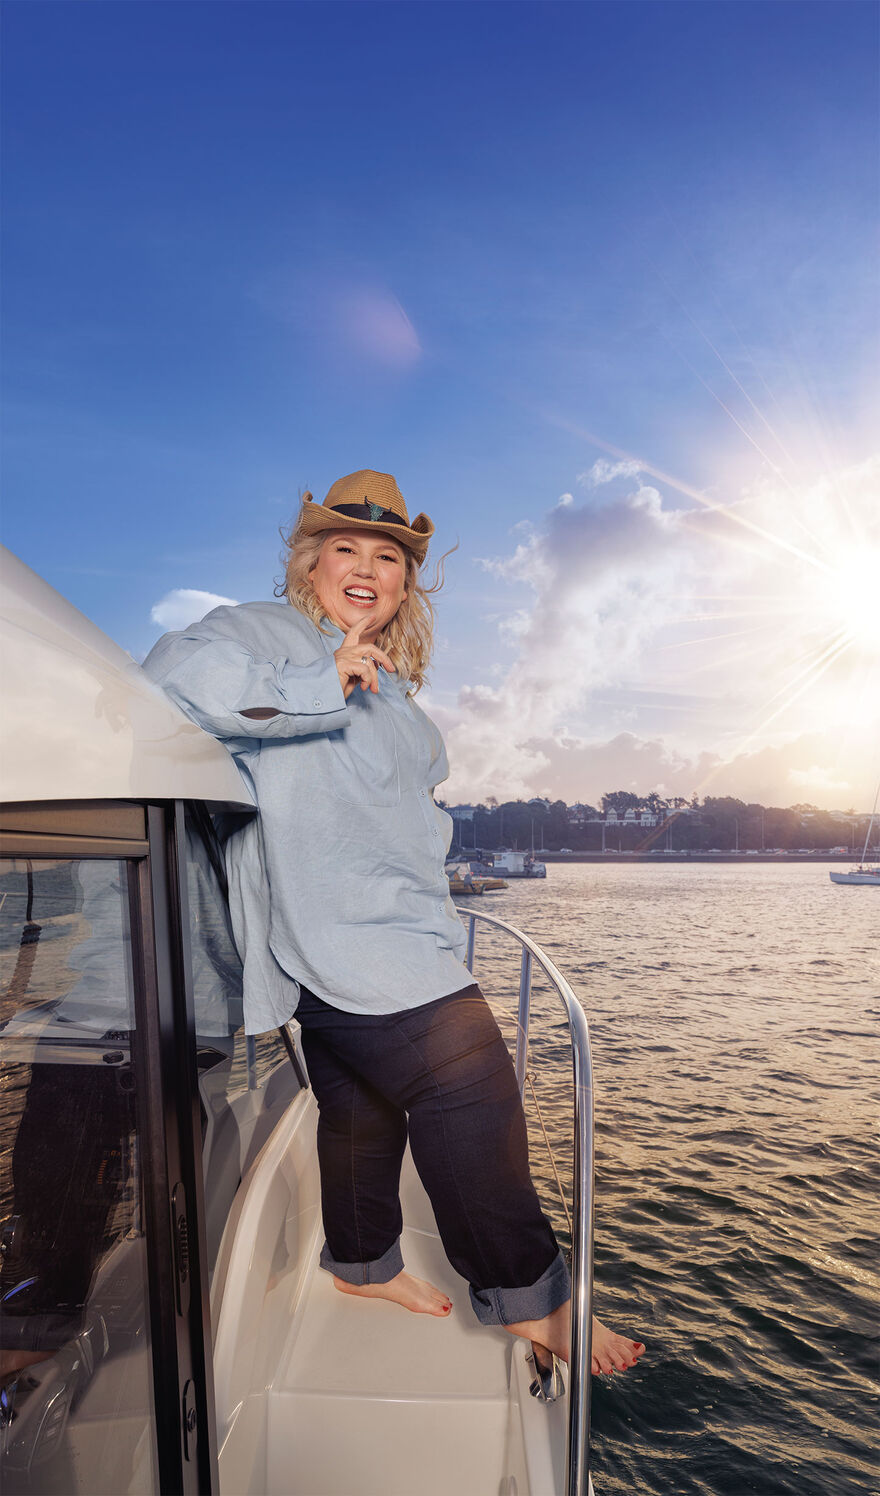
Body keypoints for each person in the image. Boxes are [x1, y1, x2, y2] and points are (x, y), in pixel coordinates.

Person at [143, 469, 645, 1375]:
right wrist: (314, 677)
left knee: (360, 1102)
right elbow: (170, 684)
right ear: (308, 562)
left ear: (407, 581)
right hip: (333, 932)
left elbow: (403, 818)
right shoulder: (257, 635)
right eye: (345, 547)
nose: (367, 567)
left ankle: (364, 1261)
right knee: (468, 1082)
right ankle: (531, 1298)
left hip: (401, 931)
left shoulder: (401, 703)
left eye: (388, 556)